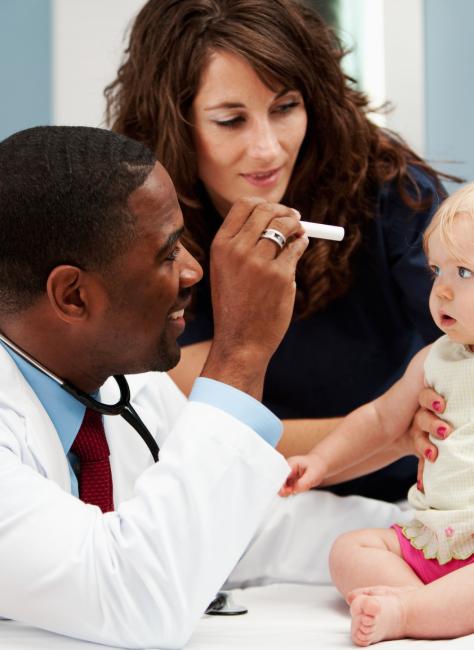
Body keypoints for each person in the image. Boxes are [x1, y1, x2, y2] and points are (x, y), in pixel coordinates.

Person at [0, 126, 407, 650]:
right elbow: (136, 600)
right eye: (166, 252)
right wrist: (241, 352)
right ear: (72, 295)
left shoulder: (120, 385)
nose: (193, 272)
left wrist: (431, 541)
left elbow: (248, 530)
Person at [105, 0, 457, 501]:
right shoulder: (149, 236)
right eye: (231, 120)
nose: (268, 149)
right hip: (244, 504)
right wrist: (389, 432)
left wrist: (398, 436)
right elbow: (205, 434)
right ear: (175, 124)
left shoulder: (388, 192)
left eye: (285, 107)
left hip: (408, 496)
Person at [281, 183, 474, 646]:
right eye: (436, 270)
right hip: (429, 535)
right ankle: (427, 605)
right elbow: (379, 420)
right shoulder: (432, 360)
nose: (442, 290)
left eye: (464, 272)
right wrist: (322, 461)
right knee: (350, 550)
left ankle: (410, 612)